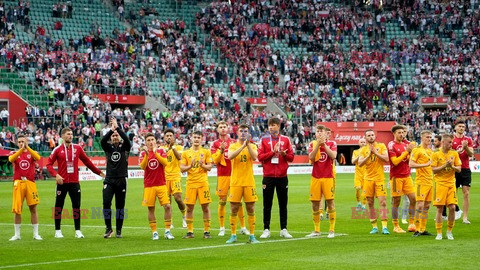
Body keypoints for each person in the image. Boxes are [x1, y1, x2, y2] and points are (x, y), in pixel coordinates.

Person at [47, 127, 105, 238]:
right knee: (59, 206)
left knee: (76, 207)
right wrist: (56, 175)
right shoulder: (58, 149)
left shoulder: (77, 148)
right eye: (68, 134)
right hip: (62, 183)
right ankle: (58, 231)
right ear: (63, 136)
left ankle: (78, 231)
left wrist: (99, 172)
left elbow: (87, 162)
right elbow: (48, 164)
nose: (70, 136)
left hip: (74, 182)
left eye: (71, 134)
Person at [258, 117, 294, 239]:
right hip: (268, 176)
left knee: (283, 204)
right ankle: (266, 229)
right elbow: (260, 157)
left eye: (273, 125)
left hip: (282, 176)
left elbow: (291, 157)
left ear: (278, 126)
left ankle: (283, 229)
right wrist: (272, 152)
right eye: (270, 125)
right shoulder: (263, 140)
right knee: (267, 204)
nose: (271, 127)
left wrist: (284, 154)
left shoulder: (286, 140)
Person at [210, 121, 248, 236]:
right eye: (220, 127)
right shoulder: (215, 144)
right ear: (217, 130)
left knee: (238, 202)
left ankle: (243, 227)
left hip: (235, 175)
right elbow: (215, 161)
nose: (222, 129)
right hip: (222, 176)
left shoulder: (234, 142)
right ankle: (222, 227)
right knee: (222, 201)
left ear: (228, 129)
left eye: (224, 127)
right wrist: (221, 151)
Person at [225, 124, 260, 244]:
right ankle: (233, 234)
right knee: (234, 208)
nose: (243, 133)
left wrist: (248, 145)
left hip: (249, 181)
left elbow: (255, 157)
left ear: (249, 133)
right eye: (241, 131)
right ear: (237, 133)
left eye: (246, 131)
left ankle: (252, 235)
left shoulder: (253, 146)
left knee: (250, 208)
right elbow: (230, 156)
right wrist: (242, 146)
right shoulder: (233, 146)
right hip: (236, 182)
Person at [139, 133, 174, 240]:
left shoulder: (161, 151)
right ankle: (154, 232)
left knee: (167, 206)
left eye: (152, 139)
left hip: (161, 184)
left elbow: (165, 163)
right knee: (151, 208)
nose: (151, 142)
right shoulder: (142, 153)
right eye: (148, 140)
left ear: (155, 141)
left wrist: (155, 153)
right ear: (145, 142)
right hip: (149, 185)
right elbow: (143, 167)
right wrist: (146, 154)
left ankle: (167, 231)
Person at [100, 117, 131, 238]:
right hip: (109, 179)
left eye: (116, 136)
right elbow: (103, 141)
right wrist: (111, 130)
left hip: (122, 179)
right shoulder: (108, 148)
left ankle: (119, 230)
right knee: (106, 203)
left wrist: (117, 128)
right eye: (113, 136)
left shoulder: (124, 148)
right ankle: (108, 228)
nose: (115, 137)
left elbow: (127, 140)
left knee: (120, 206)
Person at [8, 134, 42, 241]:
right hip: (18, 183)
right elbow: (10, 159)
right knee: (18, 209)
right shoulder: (14, 153)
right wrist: (21, 150)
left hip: (30, 182)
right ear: (17, 143)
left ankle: (36, 234)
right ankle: (17, 235)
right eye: (19, 142)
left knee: (33, 208)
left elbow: (38, 158)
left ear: (27, 142)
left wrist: (27, 148)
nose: (21, 143)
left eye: (23, 141)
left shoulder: (31, 153)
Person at [180, 131, 213, 239]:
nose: (197, 139)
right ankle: (190, 232)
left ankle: (207, 231)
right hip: (191, 183)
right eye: (195, 137)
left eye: (199, 137)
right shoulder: (185, 153)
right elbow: (181, 168)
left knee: (206, 208)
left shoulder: (206, 152)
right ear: (191, 138)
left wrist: (201, 164)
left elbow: (209, 167)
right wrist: (190, 165)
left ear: (202, 139)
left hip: (203, 183)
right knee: (189, 208)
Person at [306, 125, 337, 238]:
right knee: (315, 203)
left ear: (325, 133)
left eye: (321, 131)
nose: (319, 133)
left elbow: (333, 156)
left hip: (328, 177)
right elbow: (311, 157)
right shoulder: (312, 144)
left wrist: (324, 145)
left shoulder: (332, 144)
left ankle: (331, 230)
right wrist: (318, 145)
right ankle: (317, 230)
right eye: (317, 131)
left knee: (330, 202)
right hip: (315, 177)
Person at [358, 129, 390, 235]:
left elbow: (386, 158)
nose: (371, 137)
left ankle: (385, 227)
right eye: (368, 135)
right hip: (368, 179)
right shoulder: (363, 150)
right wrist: (368, 155)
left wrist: (376, 153)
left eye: (372, 135)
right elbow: (360, 163)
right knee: (370, 203)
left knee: (383, 202)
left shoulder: (381, 146)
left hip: (379, 179)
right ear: (365, 138)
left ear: (375, 136)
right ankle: (374, 226)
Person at [432, 134, 461, 240]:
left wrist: (452, 166)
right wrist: (445, 165)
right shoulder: (435, 154)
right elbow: (433, 170)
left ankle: (449, 231)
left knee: (452, 207)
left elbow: (459, 169)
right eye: (449, 142)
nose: (451, 144)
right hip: (440, 184)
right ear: (443, 142)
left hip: (451, 184)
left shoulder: (454, 153)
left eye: (452, 142)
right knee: (439, 208)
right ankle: (439, 232)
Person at [387, 125, 416, 233]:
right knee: (396, 201)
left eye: (403, 133)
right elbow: (395, 161)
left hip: (407, 176)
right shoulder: (391, 145)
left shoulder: (405, 145)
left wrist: (411, 153)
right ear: (394, 134)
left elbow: (407, 161)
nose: (402, 134)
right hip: (396, 177)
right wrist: (406, 152)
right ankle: (396, 226)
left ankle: (411, 224)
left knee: (413, 199)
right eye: (399, 132)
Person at [409, 130, 434, 236]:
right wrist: (425, 164)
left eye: (430, 137)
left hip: (430, 181)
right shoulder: (417, 150)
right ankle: (417, 229)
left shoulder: (430, 151)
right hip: (421, 182)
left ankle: (423, 229)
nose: (429, 139)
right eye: (427, 137)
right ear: (422, 138)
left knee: (427, 206)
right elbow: (411, 164)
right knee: (419, 205)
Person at [161, 129, 187, 228]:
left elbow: (179, 157)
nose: (169, 137)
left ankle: (184, 215)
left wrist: (172, 147)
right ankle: (170, 221)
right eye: (167, 135)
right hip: (164, 178)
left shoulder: (179, 147)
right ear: (164, 137)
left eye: (170, 135)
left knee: (178, 198)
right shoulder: (161, 148)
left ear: (174, 137)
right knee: (167, 202)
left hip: (175, 176)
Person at [452, 121, 474, 224]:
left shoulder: (468, 139)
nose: (461, 128)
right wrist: (458, 152)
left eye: (463, 127)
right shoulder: (451, 139)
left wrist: (465, 147)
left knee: (466, 193)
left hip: (465, 169)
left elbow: (471, 154)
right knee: (453, 193)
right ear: (455, 127)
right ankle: (455, 212)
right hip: (454, 168)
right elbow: (448, 153)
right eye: (460, 126)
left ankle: (465, 217)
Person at [351, 138, 367, 211]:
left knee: (365, 190)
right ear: (359, 143)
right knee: (357, 188)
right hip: (358, 173)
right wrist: (359, 156)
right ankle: (359, 203)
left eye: (364, 142)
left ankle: (364, 205)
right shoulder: (355, 151)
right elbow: (353, 161)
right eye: (361, 142)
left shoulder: (368, 151)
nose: (363, 143)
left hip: (366, 173)